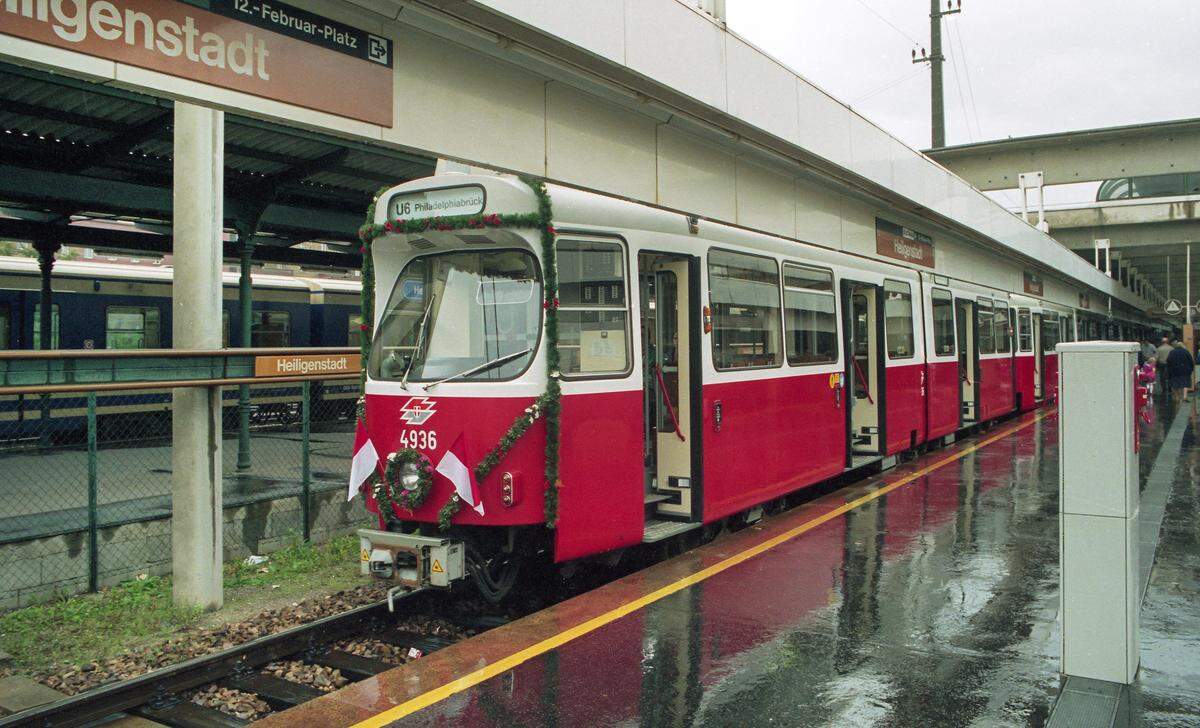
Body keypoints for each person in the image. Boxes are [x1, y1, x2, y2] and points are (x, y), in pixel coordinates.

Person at [1167, 340, 1194, 405]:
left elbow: (1168, 361)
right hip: (1185, 371)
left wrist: (1170, 369)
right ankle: (1184, 397)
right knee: (1185, 383)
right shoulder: (1186, 352)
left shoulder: (1172, 352)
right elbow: (1191, 361)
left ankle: (1177, 397)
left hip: (1174, 371)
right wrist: (1191, 369)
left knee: (1175, 384)